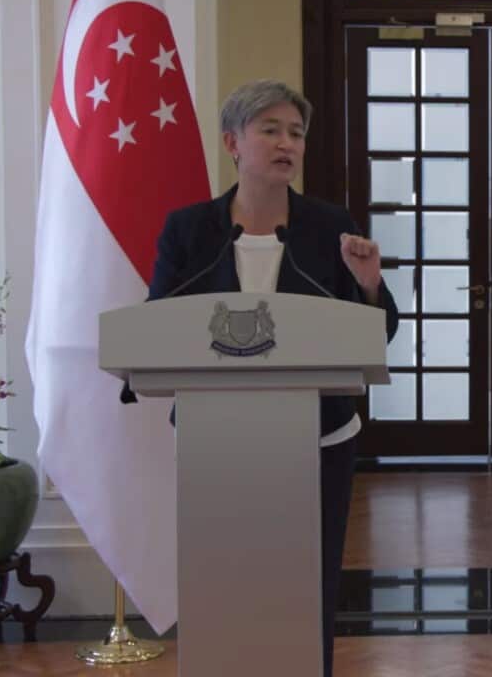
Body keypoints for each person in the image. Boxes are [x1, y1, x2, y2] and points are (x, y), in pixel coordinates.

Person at [146, 79, 399, 675]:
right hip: (215, 439)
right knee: (221, 580)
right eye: (270, 130)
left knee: (308, 583)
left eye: (296, 133)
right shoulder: (191, 231)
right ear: (232, 142)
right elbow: (156, 323)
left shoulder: (329, 227)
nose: (287, 143)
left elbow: (377, 329)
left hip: (318, 437)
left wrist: (368, 283)